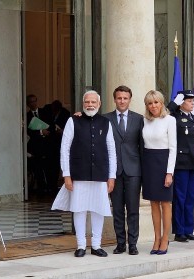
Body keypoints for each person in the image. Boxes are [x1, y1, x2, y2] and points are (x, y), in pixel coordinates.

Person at [52, 90, 116, 258]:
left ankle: (96, 245)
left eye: (93, 102)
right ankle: (80, 245)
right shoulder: (73, 121)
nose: (90, 105)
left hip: (101, 174)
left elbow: (111, 151)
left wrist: (112, 176)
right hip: (78, 173)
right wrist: (66, 174)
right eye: (87, 102)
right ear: (83, 103)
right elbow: (64, 149)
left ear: (99, 104)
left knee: (98, 209)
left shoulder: (105, 123)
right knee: (79, 209)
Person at [103, 85, 144, 255]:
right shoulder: (105, 119)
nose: (122, 101)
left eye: (125, 98)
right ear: (114, 99)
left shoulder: (139, 119)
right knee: (117, 209)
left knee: (133, 209)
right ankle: (121, 243)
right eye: (119, 98)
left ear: (129, 99)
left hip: (134, 170)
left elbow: (143, 145)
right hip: (114, 172)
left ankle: (133, 243)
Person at [141, 90, 176, 255]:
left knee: (165, 203)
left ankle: (165, 238)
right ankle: (156, 238)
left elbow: (173, 148)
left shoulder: (170, 120)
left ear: (161, 103)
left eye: (156, 102)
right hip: (148, 163)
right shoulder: (144, 121)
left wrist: (169, 172)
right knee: (153, 203)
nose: (153, 106)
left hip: (163, 162)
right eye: (150, 103)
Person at [168, 90, 194, 242]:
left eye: (193, 101)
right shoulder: (174, 118)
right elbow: (166, 112)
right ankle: (179, 231)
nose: (192, 104)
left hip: (193, 163)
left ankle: (189, 229)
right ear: (182, 102)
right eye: (189, 101)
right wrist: (174, 102)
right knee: (180, 197)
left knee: (190, 198)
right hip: (181, 164)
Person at [26, 94, 53, 193]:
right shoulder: (27, 116)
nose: (33, 104)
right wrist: (41, 132)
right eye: (31, 102)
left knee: (49, 167)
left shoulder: (44, 112)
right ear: (28, 104)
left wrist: (47, 131)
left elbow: (51, 125)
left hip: (47, 145)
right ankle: (41, 188)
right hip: (35, 147)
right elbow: (29, 131)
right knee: (38, 168)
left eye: (34, 101)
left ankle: (50, 187)